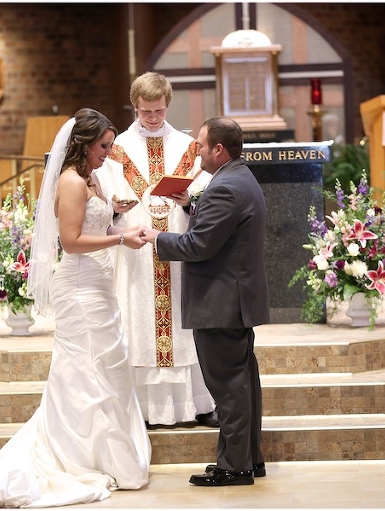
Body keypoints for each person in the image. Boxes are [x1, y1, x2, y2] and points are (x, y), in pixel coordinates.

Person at [0, 108, 151, 508]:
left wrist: (125, 230)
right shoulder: (71, 182)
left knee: (106, 367)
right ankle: (75, 455)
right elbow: (70, 242)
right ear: (85, 144)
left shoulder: (92, 177)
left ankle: (104, 454)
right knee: (82, 371)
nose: (109, 152)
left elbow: (98, 227)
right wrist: (121, 242)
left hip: (99, 285)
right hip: (79, 286)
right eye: (104, 146)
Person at [140, 116, 270, 487]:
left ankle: (235, 467)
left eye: (200, 144)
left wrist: (156, 237)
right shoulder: (238, 179)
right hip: (234, 300)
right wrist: (191, 202)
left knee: (228, 387)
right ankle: (248, 459)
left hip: (221, 302)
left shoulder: (223, 188)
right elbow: (221, 229)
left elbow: (198, 246)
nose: (196, 149)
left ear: (218, 149)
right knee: (242, 383)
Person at [95, 71, 218, 428]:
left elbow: (206, 194)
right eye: (146, 111)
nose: (153, 118)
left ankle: (196, 402)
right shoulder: (115, 149)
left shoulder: (187, 146)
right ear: (134, 106)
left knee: (180, 322)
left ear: (168, 105)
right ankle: (143, 409)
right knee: (139, 321)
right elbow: (97, 193)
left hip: (177, 246)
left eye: (159, 111)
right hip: (135, 250)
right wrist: (115, 206)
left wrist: (188, 199)